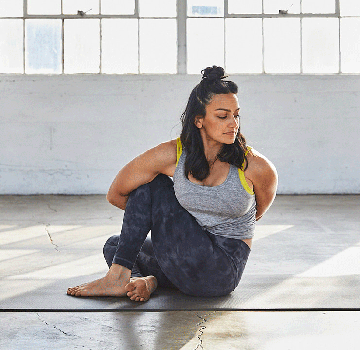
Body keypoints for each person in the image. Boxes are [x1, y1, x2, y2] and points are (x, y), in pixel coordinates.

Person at [67, 66, 278, 301]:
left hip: (221, 269)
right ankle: (143, 280)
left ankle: (119, 277)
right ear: (199, 120)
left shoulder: (256, 167)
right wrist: (159, 221)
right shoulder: (173, 155)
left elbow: (257, 213)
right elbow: (116, 193)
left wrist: (173, 220)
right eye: (222, 115)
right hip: (182, 260)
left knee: (153, 189)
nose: (233, 123)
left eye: (236, 114)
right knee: (115, 245)